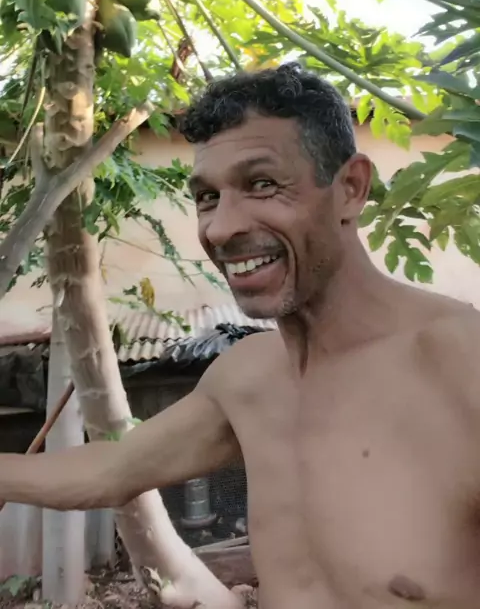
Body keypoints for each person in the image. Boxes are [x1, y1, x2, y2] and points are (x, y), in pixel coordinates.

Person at [1, 63, 480, 609]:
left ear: (350, 188)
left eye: (262, 184)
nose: (221, 228)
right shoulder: (249, 376)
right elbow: (110, 470)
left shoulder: (460, 367)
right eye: (207, 197)